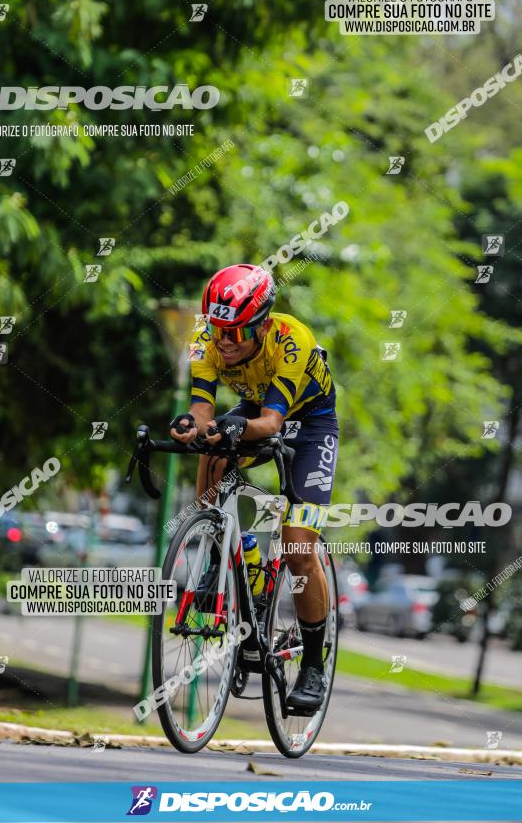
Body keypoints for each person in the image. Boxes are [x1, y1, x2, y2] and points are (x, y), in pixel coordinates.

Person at [170, 263, 338, 712]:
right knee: (212, 449)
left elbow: (270, 424)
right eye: (217, 328)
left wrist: (225, 428)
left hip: (310, 425)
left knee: (299, 545)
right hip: (255, 408)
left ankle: (314, 666)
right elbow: (203, 410)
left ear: (262, 325)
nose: (223, 341)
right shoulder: (205, 341)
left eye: (236, 332)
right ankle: (217, 557)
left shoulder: (291, 339)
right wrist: (192, 427)